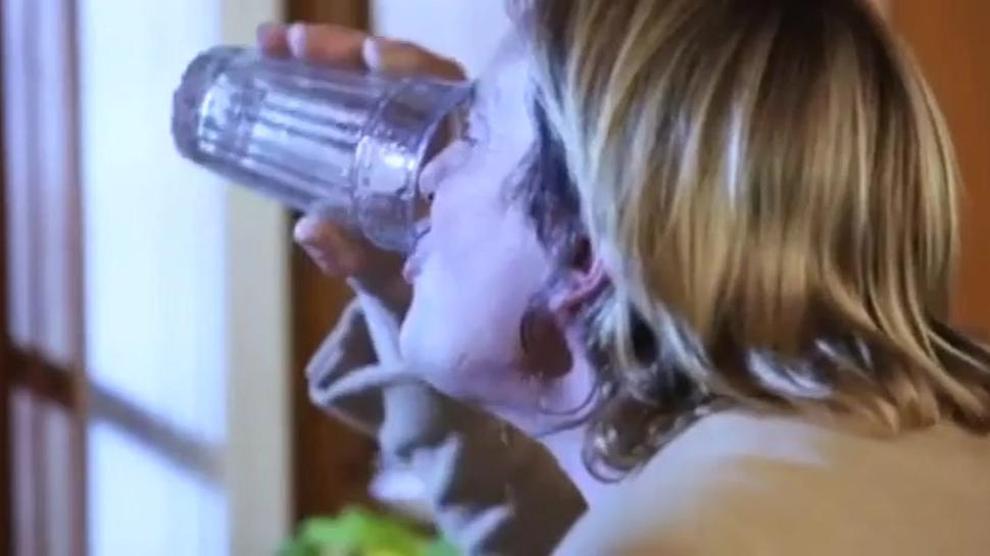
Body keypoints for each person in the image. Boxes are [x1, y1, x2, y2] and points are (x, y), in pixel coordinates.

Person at [261, 0, 990, 553]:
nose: (429, 176)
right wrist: (410, 288)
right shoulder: (917, 447)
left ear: (585, 246)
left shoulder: (684, 533)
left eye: (474, 136)